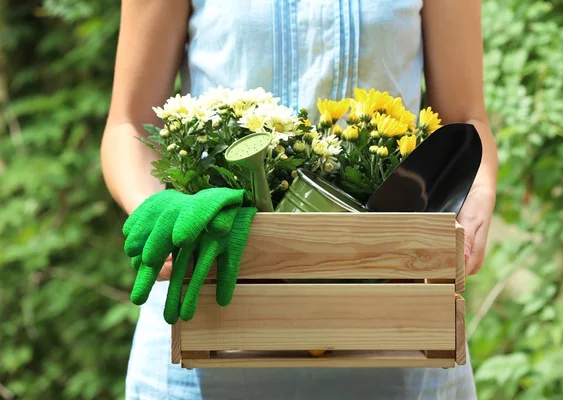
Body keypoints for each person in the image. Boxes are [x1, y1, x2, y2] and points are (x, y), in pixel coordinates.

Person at [100, 0, 498, 398]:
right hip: (204, 332)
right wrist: (159, 211)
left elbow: (465, 117)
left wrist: (476, 199)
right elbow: (129, 122)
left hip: (395, 343)